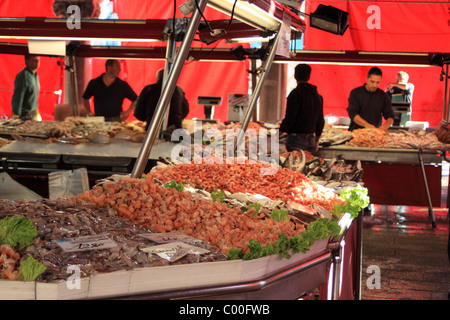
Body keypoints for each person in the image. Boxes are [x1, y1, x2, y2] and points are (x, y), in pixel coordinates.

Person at [279, 64, 325, 155]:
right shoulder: (318, 96)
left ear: (295, 76)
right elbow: (320, 121)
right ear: (309, 76)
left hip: (296, 140)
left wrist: (277, 135)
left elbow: (290, 118)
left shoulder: (295, 94)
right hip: (311, 139)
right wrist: (316, 141)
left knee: (294, 167)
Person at [347, 67, 394, 132]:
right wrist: (367, 125)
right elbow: (353, 113)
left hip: (374, 134)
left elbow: (390, 116)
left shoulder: (383, 96)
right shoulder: (355, 93)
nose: (374, 85)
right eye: (372, 82)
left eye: (377, 82)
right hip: (356, 132)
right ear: (367, 78)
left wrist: (385, 126)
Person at [11, 55, 40, 120]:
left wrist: (36, 110)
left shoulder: (35, 75)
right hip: (24, 114)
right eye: (34, 60)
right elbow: (18, 96)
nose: (37, 62)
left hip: (33, 112)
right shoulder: (24, 75)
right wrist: (16, 114)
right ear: (27, 61)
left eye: (38, 60)